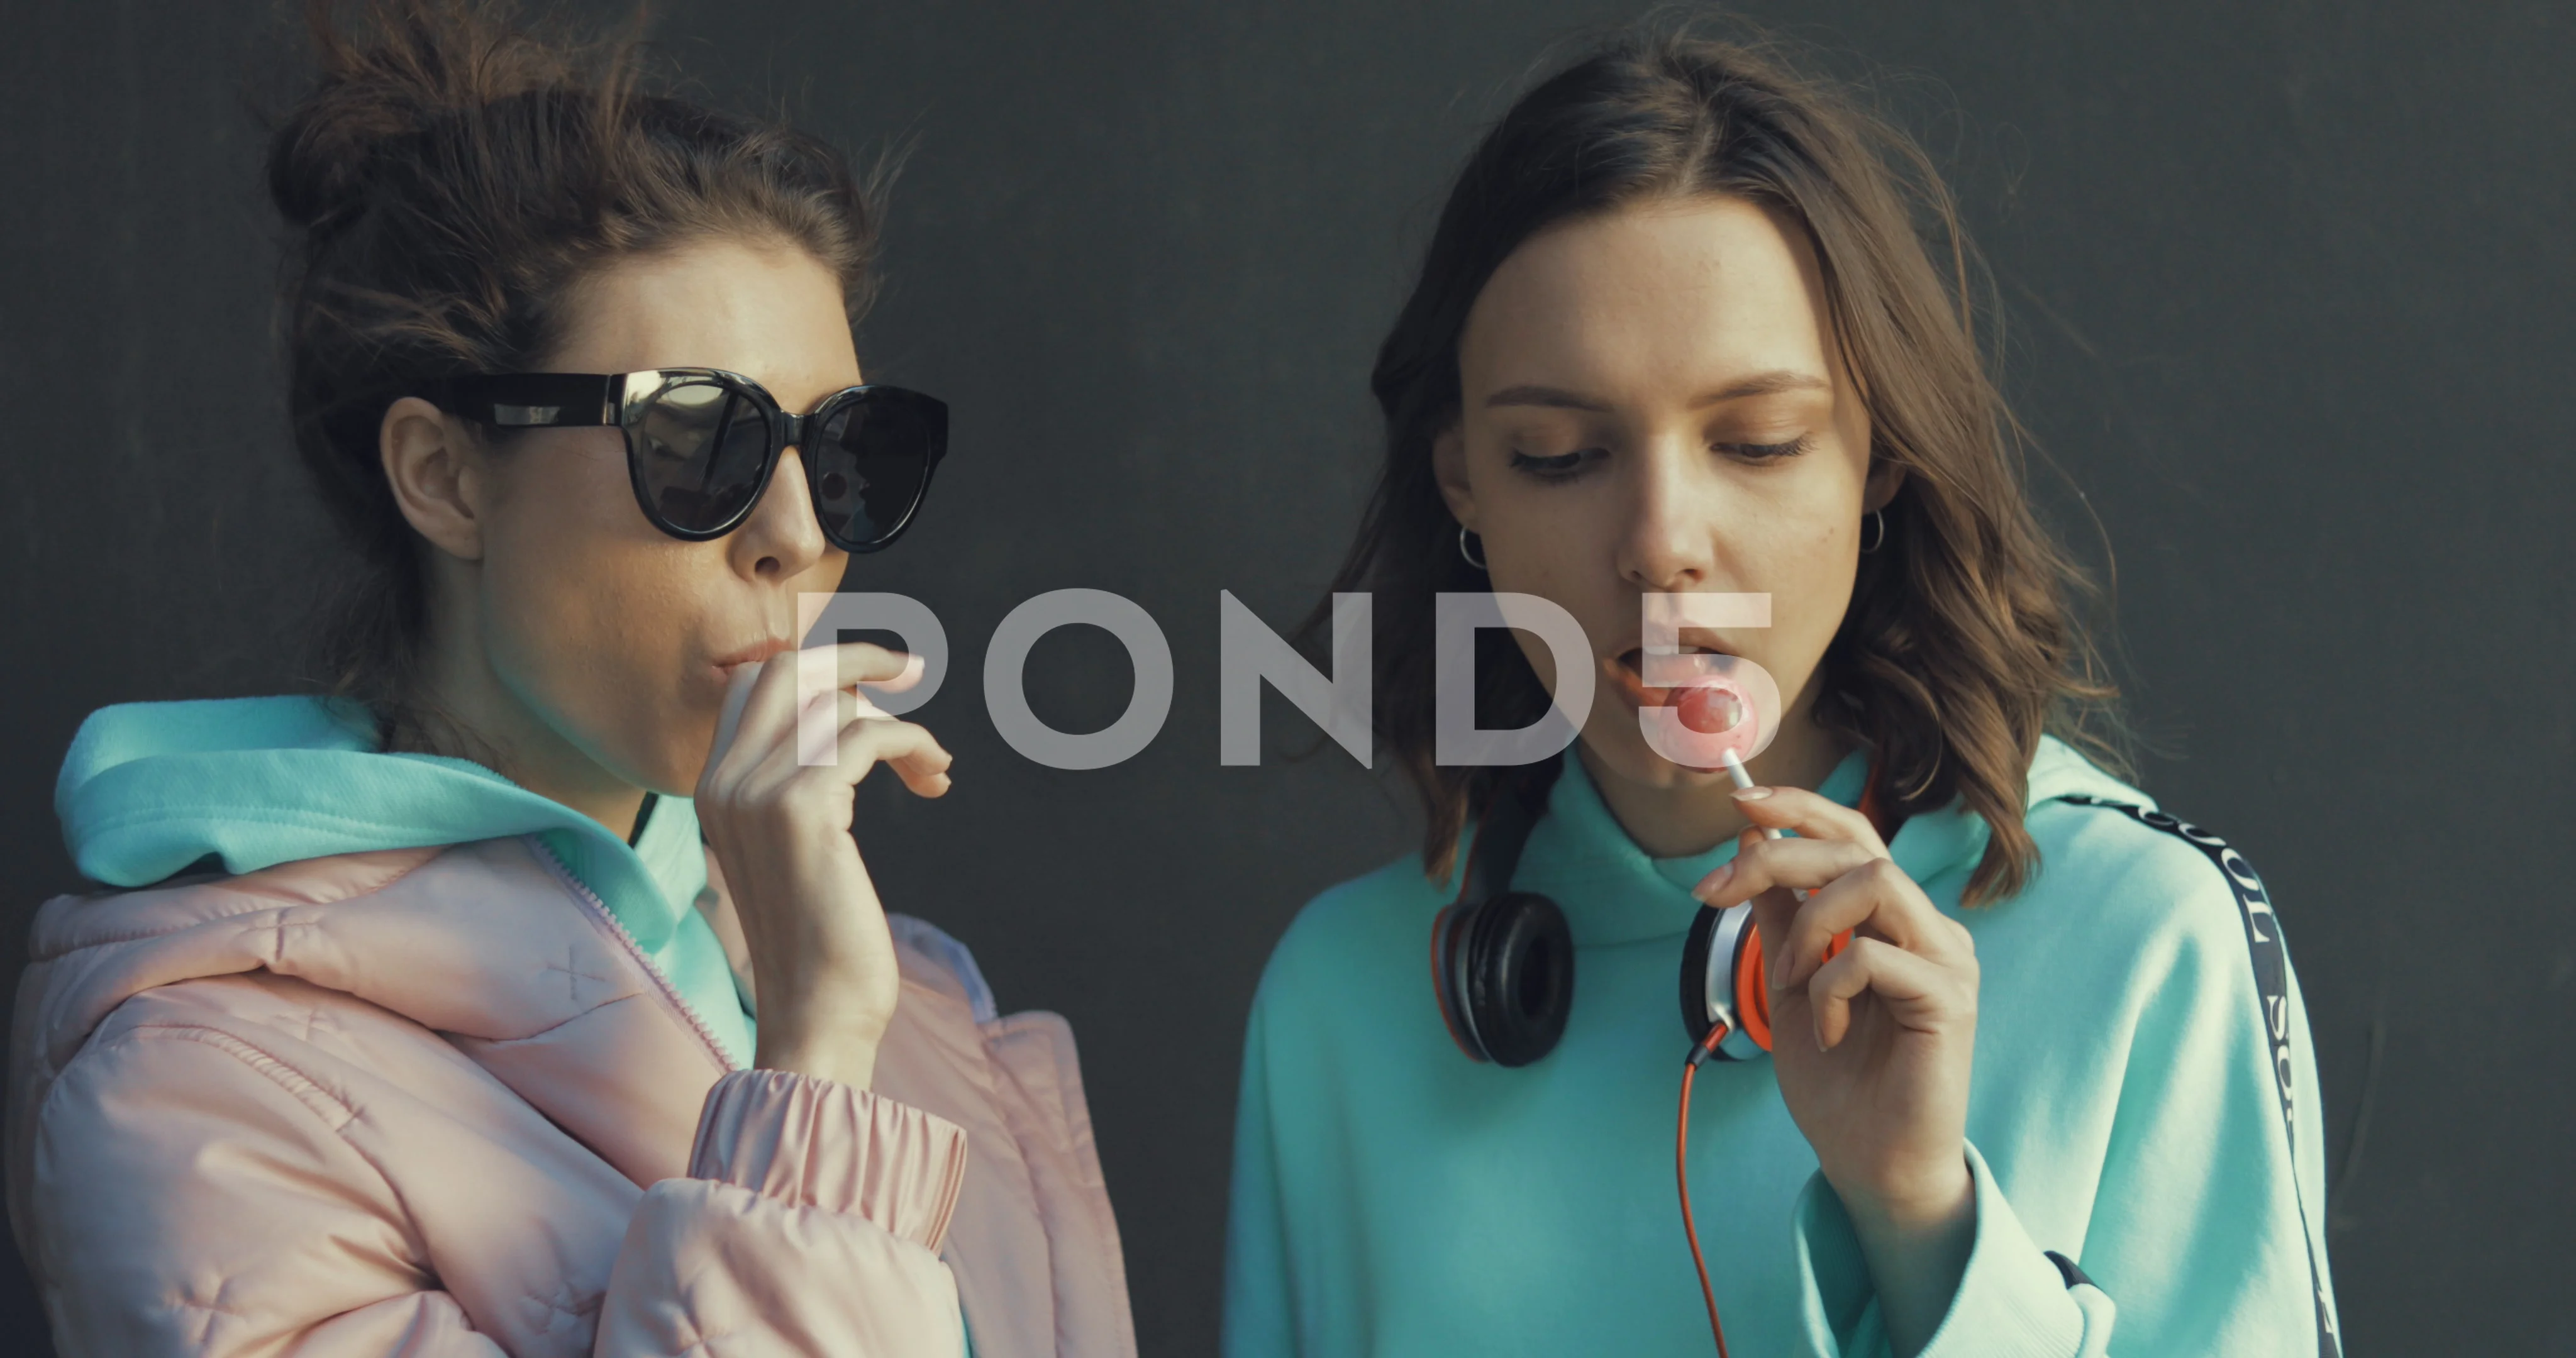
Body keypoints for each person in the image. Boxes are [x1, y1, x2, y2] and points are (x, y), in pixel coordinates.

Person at [4, 4, 1133, 1355]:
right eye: (700, 441)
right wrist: (816, 1060)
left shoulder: (917, 1001)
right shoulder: (196, 1096)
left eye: (845, 451)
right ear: (443, 475)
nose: (797, 535)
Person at [1223, 25, 2339, 1358]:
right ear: (1463, 482)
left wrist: (1918, 1217)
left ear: (1878, 459)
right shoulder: (1343, 1004)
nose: (1659, 539)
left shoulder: (2145, 941)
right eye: (1558, 456)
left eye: (1754, 442)